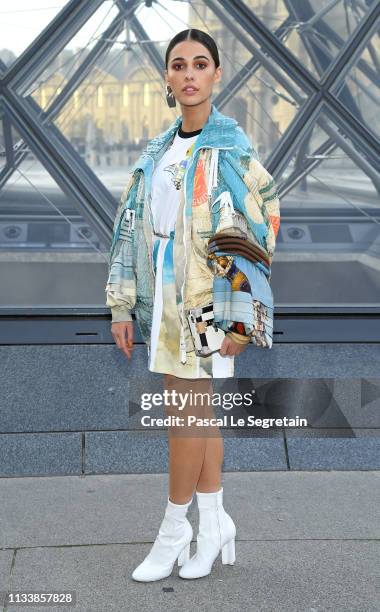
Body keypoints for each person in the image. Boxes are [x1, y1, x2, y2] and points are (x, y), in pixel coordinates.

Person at [105, 28, 280, 581]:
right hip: (159, 293)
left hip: (206, 297)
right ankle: (214, 522)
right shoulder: (156, 150)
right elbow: (128, 229)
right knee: (197, 417)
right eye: (178, 64)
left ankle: (174, 528)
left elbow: (260, 225)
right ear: (167, 76)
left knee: (186, 416)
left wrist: (240, 309)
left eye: (199, 64)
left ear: (216, 75)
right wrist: (121, 304)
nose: (188, 74)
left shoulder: (231, 149)